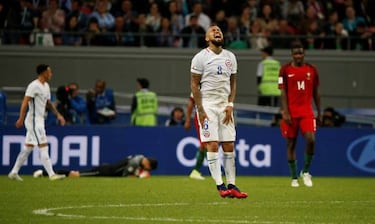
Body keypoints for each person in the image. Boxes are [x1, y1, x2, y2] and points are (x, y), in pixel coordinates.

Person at [190, 25, 248, 199]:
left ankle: (232, 185)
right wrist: (200, 109)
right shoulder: (200, 58)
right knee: (213, 144)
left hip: (225, 106)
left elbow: (233, 83)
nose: (217, 31)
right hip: (207, 105)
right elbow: (194, 84)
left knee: (229, 145)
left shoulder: (230, 57)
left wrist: (230, 104)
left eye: (220, 30)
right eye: (213, 30)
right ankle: (220, 185)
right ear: (207, 38)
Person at [8, 64, 66, 181]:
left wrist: (58, 115)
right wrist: (20, 118)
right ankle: (51, 174)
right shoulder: (33, 86)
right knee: (43, 146)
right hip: (33, 121)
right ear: (43, 73)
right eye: (49, 72)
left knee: (28, 148)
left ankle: (13, 172)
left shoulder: (46, 86)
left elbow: (48, 103)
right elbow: (25, 103)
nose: (51, 74)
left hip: (40, 120)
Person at [278, 43, 321, 188]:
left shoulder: (312, 70)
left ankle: (306, 172)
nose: (298, 56)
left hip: (306, 112)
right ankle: (294, 177)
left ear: (304, 54)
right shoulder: (284, 70)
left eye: (301, 53)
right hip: (291, 112)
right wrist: (285, 111)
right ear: (291, 54)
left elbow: (316, 92)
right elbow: (283, 92)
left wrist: (319, 112)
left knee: (311, 139)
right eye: (296, 53)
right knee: (291, 144)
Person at [33, 154, 158, 178]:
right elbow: (126, 176)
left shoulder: (138, 157)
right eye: (148, 168)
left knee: (76, 174)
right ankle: (44, 173)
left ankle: (46, 173)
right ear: (148, 164)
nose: (146, 170)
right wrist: (138, 176)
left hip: (106, 169)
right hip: (104, 172)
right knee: (75, 175)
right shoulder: (135, 163)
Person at [184, 93, 206, 180]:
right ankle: (196, 171)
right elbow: (191, 103)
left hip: (214, 116)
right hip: (201, 117)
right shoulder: (198, 85)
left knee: (205, 144)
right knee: (205, 143)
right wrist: (188, 119)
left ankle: (196, 171)